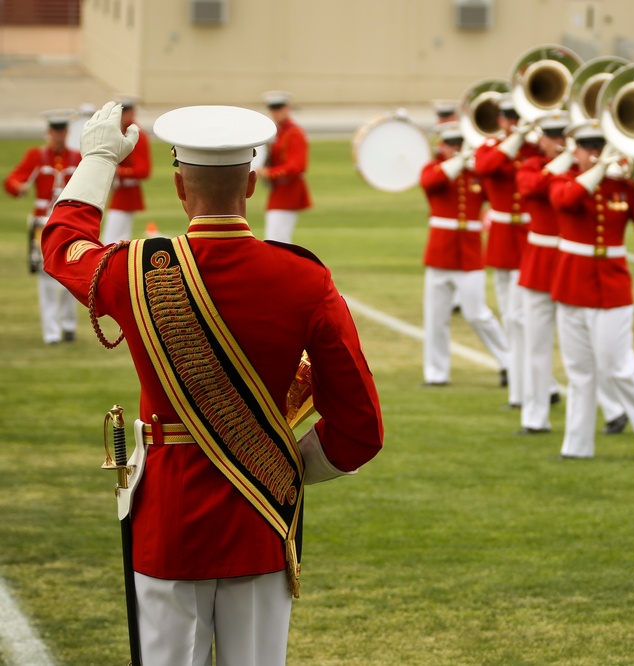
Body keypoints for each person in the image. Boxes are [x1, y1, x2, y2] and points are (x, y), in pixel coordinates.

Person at [41, 102, 384, 664]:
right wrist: (284, 465)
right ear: (251, 183)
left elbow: (62, 247)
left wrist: (99, 159)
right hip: (261, 515)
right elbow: (361, 427)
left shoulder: (134, 270)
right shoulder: (305, 278)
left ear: (179, 186)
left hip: (167, 519)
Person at [549, 119, 634, 461]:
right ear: (577, 151)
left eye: (599, 147)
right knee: (579, 372)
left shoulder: (624, 187)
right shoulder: (566, 178)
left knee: (617, 366)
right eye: (588, 148)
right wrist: (601, 169)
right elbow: (566, 200)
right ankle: (576, 447)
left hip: (612, 288)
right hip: (572, 284)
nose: (594, 154)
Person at [514, 112, 626, 436]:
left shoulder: (585, 173)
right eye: (552, 136)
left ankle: (614, 409)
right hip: (541, 262)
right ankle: (535, 416)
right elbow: (531, 187)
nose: (558, 142)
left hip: (575, 265)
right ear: (541, 138)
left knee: (591, 348)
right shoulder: (536, 166)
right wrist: (567, 158)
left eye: (565, 137)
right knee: (536, 345)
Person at [419, 121, 510, 387]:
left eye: (460, 143)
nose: (456, 149)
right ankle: (436, 373)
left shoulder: (476, 173)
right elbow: (431, 181)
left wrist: (479, 166)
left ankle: (508, 362)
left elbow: (498, 192)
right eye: (451, 144)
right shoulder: (434, 168)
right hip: (440, 252)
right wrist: (461, 161)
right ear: (441, 146)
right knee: (436, 318)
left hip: (469, 253)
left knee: (477, 313)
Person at [475, 94, 540, 403]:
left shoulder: (536, 147)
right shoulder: (493, 147)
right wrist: (515, 139)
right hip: (503, 237)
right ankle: (525, 387)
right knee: (509, 314)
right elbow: (486, 166)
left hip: (528, 235)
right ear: (500, 119)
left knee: (520, 317)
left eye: (518, 116)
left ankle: (529, 388)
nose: (513, 122)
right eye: (508, 116)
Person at [4, 109, 81, 344]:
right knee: (46, 276)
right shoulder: (36, 156)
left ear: (66, 132)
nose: (59, 136)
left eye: (63, 131)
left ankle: (69, 326)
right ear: (49, 133)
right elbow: (12, 181)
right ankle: (52, 332)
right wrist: (19, 187)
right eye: (55, 132)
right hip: (43, 222)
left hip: (69, 221)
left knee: (72, 272)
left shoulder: (76, 157)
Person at [256, 90, 312, 243]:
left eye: (279, 108)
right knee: (275, 238)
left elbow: (297, 166)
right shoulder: (280, 132)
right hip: (279, 190)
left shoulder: (293, 133)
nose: (276, 112)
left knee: (277, 239)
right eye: (273, 109)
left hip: (289, 189)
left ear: (287, 108)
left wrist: (270, 173)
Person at [101, 94, 152, 244]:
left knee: (112, 240)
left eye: (125, 112)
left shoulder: (138, 135)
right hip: (118, 191)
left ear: (131, 113)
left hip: (126, 193)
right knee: (117, 238)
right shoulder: (119, 132)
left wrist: (119, 172)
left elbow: (144, 170)